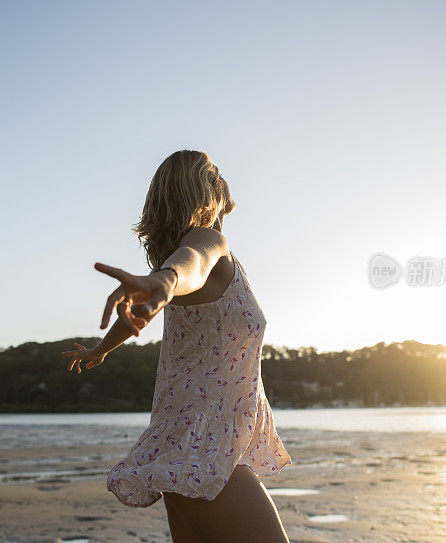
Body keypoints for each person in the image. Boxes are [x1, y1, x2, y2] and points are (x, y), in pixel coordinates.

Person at [62, 150, 292, 543]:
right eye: (214, 171)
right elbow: (192, 263)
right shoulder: (207, 242)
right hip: (203, 451)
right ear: (206, 189)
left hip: (185, 445)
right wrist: (167, 281)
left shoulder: (195, 258)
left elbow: (145, 308)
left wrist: (102, 348)